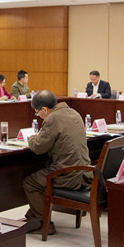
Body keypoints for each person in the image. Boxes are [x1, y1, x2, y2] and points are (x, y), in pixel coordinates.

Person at [24, 91, 92, 234]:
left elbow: (38, 147)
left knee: (30, 183)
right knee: (41, 174)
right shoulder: (74, 113)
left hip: (68, 176)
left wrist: (31, 138)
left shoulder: (53, 118)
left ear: (44, 109)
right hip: (85, 173)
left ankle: (44, 223)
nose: (38, 116)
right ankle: (35, 215)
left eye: (37, 112)